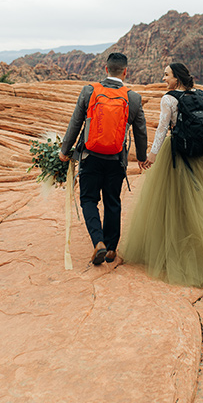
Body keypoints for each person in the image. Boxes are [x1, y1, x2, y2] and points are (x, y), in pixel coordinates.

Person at [120, 62, 203, 288]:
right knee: (201, 202)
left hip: (179, 154)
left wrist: (152, 155)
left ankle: (178, 252)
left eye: (167, 75)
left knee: (176, 203)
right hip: (202, 154)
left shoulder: (169, 99)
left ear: (177, 78)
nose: (164, 78)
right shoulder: (201, 94)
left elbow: (162, 129)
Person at [59, 52, 147, 266]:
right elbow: (141, 131)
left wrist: (64, 150)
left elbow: (75, 123)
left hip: (90, 156)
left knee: (89, 200)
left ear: (105, 69)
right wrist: (142, 158)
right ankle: (111, 249)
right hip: (116, 159)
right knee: (112, 201)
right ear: (126, 72)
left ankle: (98, 241)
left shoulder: (89, 91)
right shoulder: (133, 98)